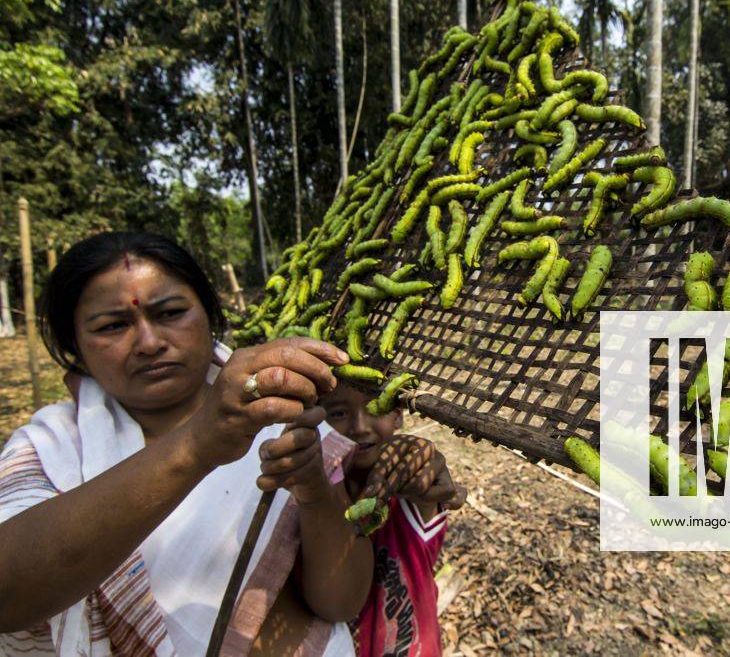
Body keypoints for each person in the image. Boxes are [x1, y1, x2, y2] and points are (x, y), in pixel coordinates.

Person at [0, 231, 453, 656]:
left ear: (209, 315)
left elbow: (341, 602)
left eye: (170, 313)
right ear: (75, 346)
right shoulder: (51, 450)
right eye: (113, 325)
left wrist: (314, 487)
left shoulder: (284, 409)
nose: (149, 342)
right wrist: (198, 444)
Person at [320, 381, 466, 656]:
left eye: (376, 408)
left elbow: (428, 487)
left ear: (398, 415)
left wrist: (426, 467)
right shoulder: (317, 497)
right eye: (338, 413)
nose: (360, 426)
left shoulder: (408, 494)